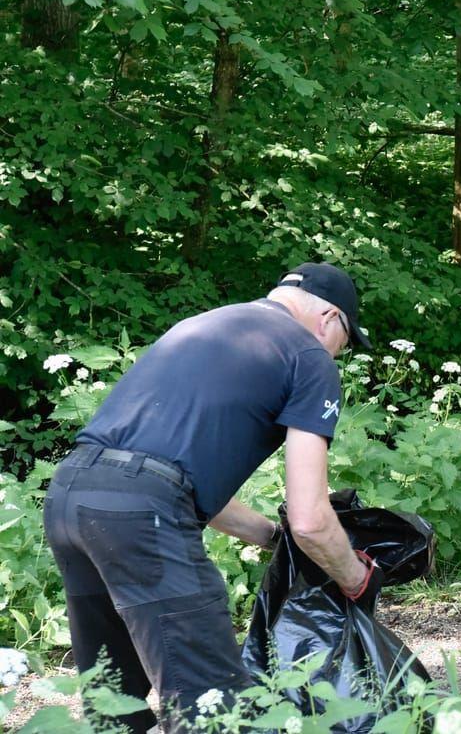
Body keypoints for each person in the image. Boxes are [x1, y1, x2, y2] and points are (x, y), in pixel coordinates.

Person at [43, 263, 380, 732]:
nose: (338, 354)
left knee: (113, 699)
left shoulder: (201, 326)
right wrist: (355, 577)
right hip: (141, 515)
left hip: (71, 494)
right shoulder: (309, 355)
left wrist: (269, 536)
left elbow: (169, 471)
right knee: (211, 707)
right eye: (345, 341)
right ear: (329, 318)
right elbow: (309, 517)